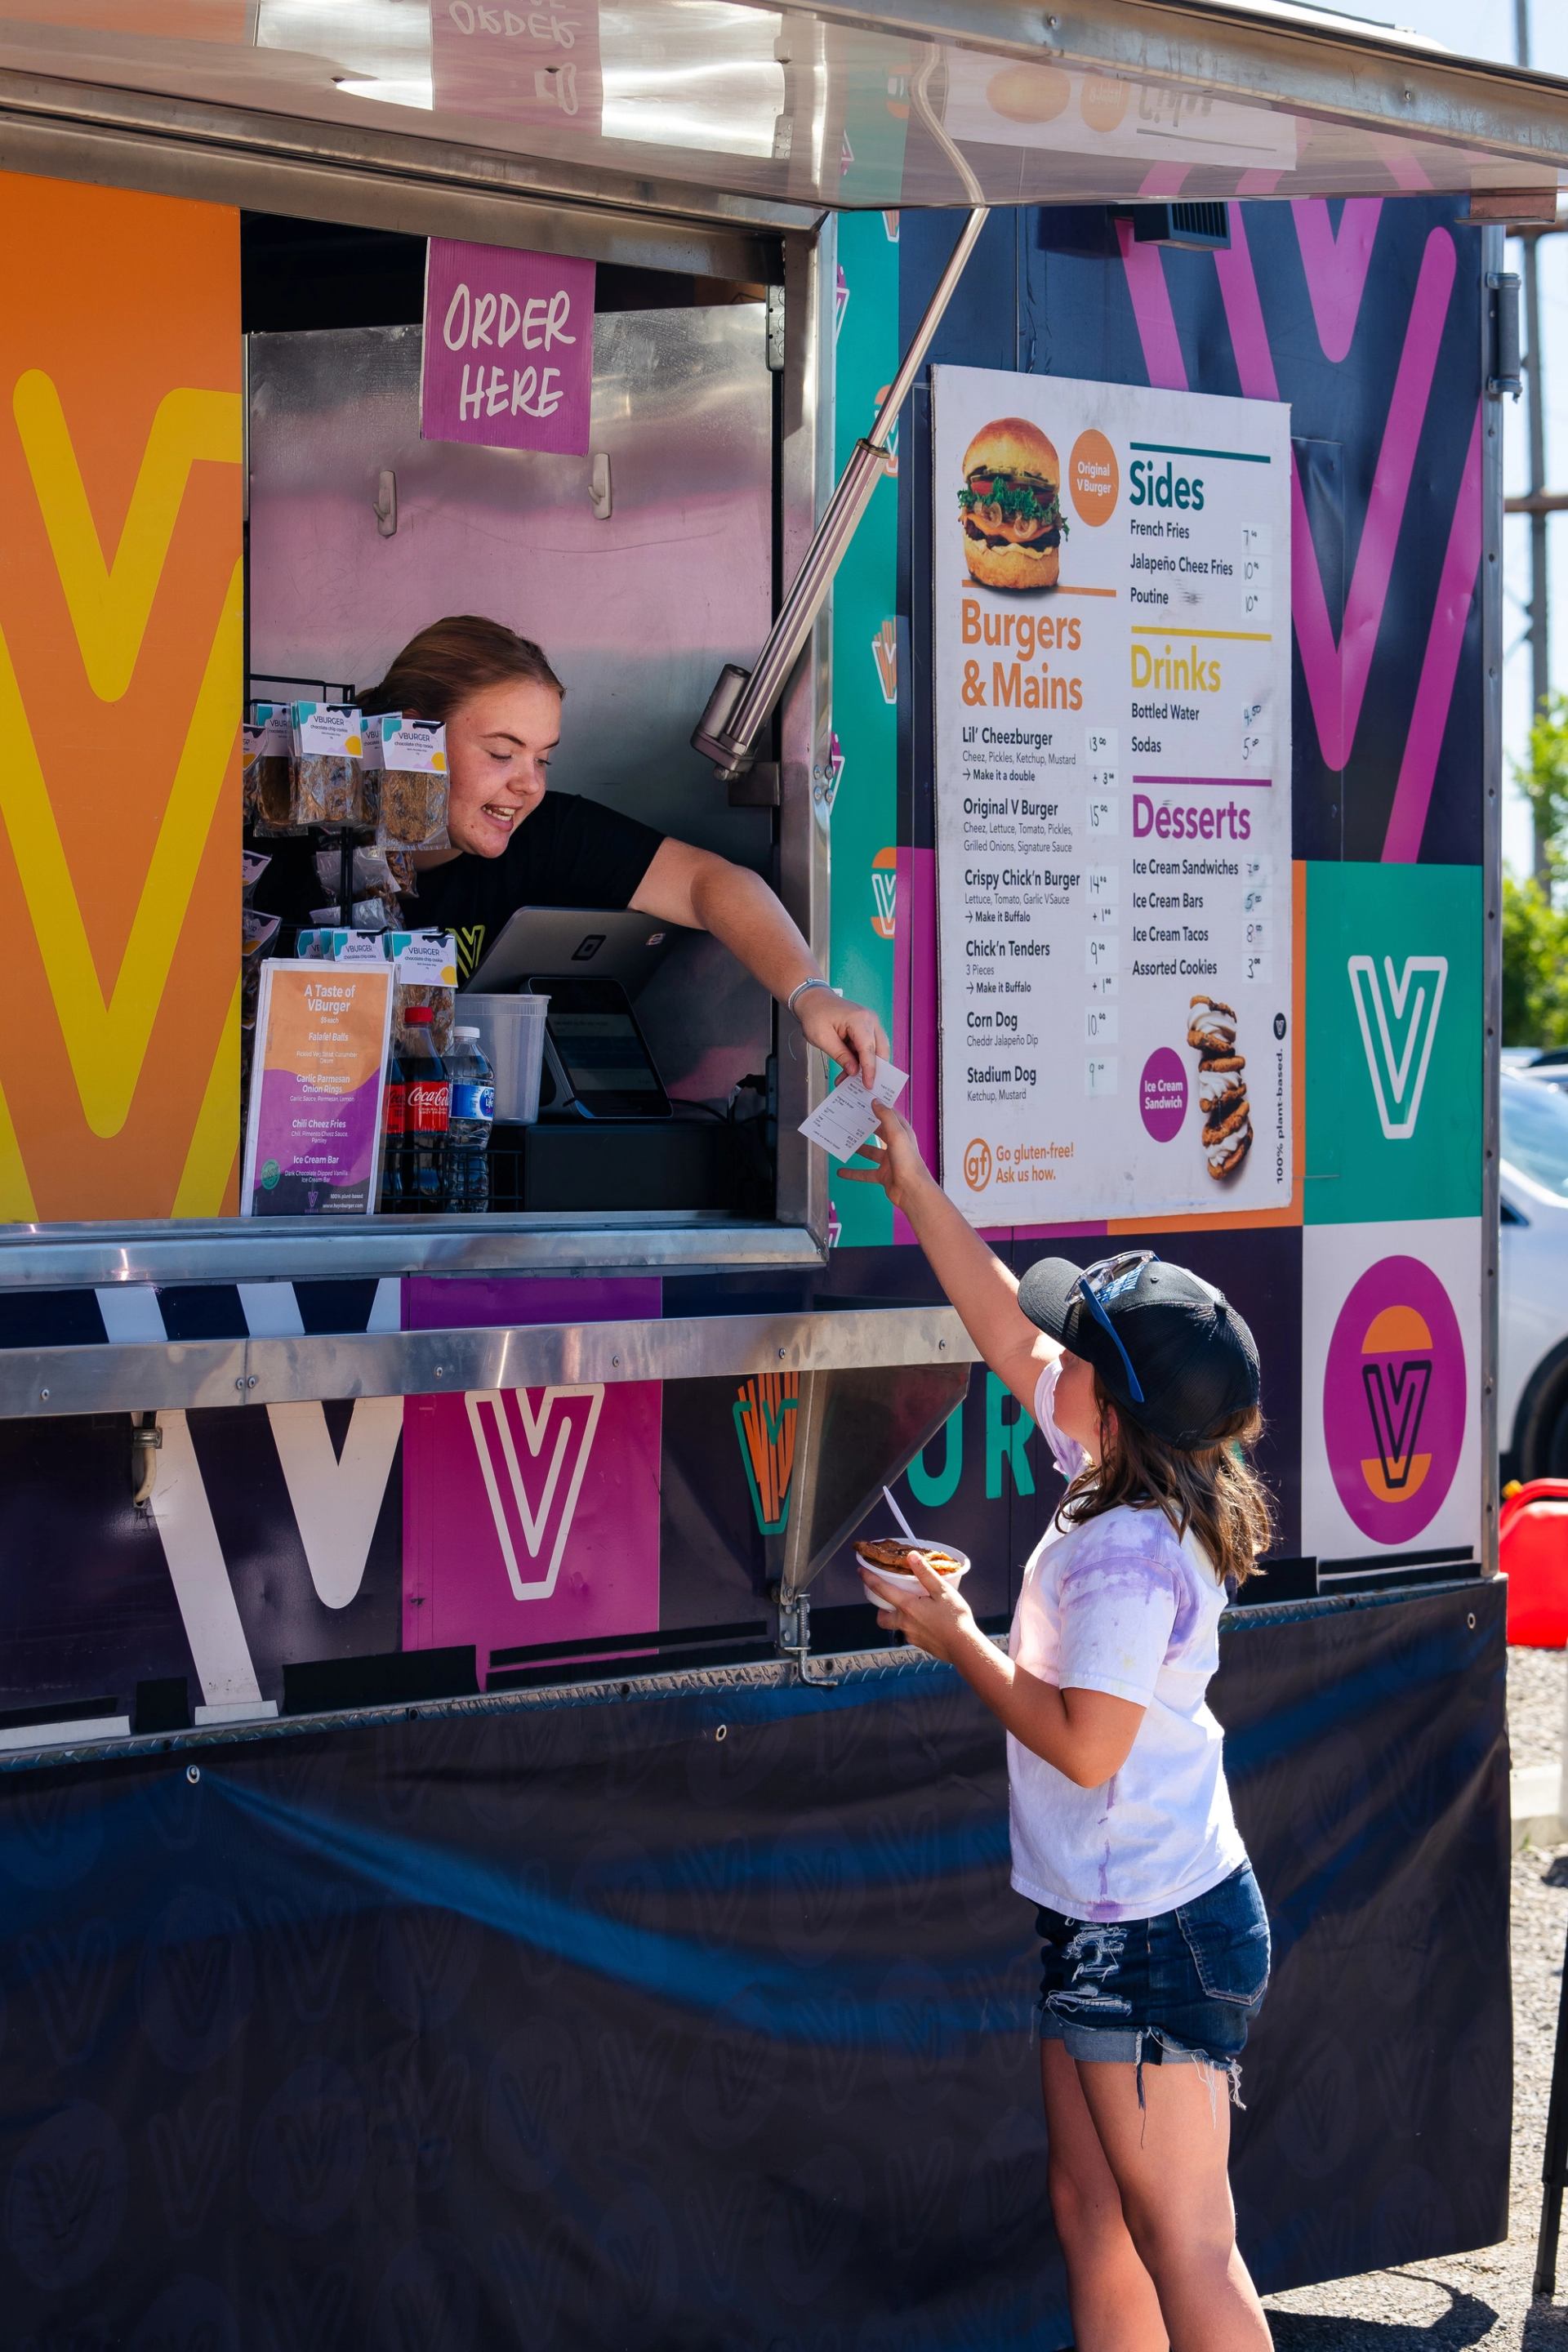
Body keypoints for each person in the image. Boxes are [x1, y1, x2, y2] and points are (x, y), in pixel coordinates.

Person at [842, 1103, 1276, 2352]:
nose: (1048, 1350)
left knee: (1185, 2242)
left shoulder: (1132, 1554)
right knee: (1094, 2212)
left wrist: (955, 1635)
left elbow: (1087, 1745)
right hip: (1117, 1920)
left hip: (1154, 1932)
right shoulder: (1117, 1462)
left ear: (1117, 1403)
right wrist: (913, 1182)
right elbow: (997, 1313)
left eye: (1073, 1347)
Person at [255, 614, 885, 1085]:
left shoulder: (545, 832)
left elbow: (710, 883)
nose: (528, 783)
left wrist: (810, 993)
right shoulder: (293, 841)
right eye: (501, 754)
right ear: (416, 735)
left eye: (543, 757)